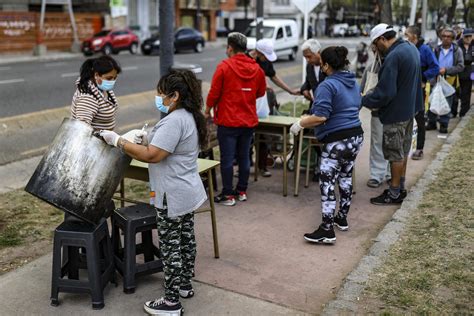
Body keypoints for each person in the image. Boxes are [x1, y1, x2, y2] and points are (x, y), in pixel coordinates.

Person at [99, 69, 208, 316]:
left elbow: (153, 156)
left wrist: (118, 141)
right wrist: (146, 136)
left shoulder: (174, 119)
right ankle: (183, 285)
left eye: (161, 94)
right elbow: (164, 144)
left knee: (171, 246)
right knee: (185, 240)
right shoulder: (187, 115)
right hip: (186, 191)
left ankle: (171, 303)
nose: (158, 97)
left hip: (172, 193)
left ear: (175, 95)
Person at [290, 46, 364, 244]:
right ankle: (342, 217)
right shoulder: (352, 82)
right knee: (346, 176)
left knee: (327, 182)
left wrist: (300, 123)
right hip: (356, 136)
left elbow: (321, 116)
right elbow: (358, 105)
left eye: (321, 62)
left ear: (327, 65)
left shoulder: (327, 85)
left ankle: (326, 228)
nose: (319, 65)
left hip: (337, 140)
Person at [361, 23, 423, 205]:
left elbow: (385, 92)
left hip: (396, 114)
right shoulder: (410, 48)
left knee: (394, 154)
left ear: (382, 39)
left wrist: (364, 100)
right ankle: (400, 187)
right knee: (403, 152)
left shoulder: (393, 57)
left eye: (375, 44)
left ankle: (394, 192)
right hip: (408, 110)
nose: (374, 48)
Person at [205, 32, 266, 206]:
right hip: (248, 121)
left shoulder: (224, 67)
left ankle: (227, 194)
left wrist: (207, 109)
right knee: (244, 156)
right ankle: (241, 191)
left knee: (227, 158)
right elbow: (261, 92)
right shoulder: (257, 69)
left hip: (228, 120)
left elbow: (214, 93)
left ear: (230, 47)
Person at [247, 38, 300, 177]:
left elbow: (274, 77)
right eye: (265, 56)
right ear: (258, 52)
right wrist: (261, 85)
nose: (266, 59)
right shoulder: (246, 59)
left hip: (261, 104)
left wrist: (289, 90)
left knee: (263, 133)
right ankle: (245, 166)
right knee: (246, 136)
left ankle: (262, 166)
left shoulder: (265, 61)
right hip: (247, 103)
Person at [405, 25, 440, 160]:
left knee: (419, 119)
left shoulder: (425, 49)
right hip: (406, 90)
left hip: (420, 90)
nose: (405, 37)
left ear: (414, 36)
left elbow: (435, 67)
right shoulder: (406, 48)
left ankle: (419, 148)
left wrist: (423, 77)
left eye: (407, 34)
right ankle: (407, 146)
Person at [361, 46, 390, 188]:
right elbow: (362, 90)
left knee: (393, 144)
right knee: (377, 144)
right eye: (373, 50)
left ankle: (390, 173)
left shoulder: (394, 63)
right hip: (377, 112)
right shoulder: (370, 68)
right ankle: (377, 175)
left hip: (394, 112)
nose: (376, 52)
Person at [300, 38, 327, 182]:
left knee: (323, 137)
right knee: (308, 133)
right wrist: (304, 89)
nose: (307, 59)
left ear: (318, 52)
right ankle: (320, 162)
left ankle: (325, 165)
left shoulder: (328, 65)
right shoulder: (309, 67)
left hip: (328, 110)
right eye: (305, 57)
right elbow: (308, 81)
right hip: (315, 107)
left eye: (309, 56)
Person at [71, 55, 122, 130]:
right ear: (97, 75)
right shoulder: (88, 97)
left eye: (115, 78)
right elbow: (81, 127)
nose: (112, 81)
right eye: (109, 78)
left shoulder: (102, 88)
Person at [428, 28, 464, 130]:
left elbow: (460, 66)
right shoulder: (436, 49)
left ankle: (444, 125)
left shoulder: (457, 50)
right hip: (436, 79)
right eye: (444, 36)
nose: (446, 38)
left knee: (447, 103)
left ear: (452, 39)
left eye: (448, 37)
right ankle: (432, 122)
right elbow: (430, 63)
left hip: (449, 80)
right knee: (433, 100)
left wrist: (446, 70)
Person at [456, 29, 473, 118]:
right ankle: (453, 111)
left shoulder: (473, 45)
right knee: (457, 93)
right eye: (466, 36)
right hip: (458, 72)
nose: (468, 38)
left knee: (467, 93)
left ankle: (464, 112)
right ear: (463, 36)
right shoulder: (457, 45)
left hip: (469, 73)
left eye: (470, 36)